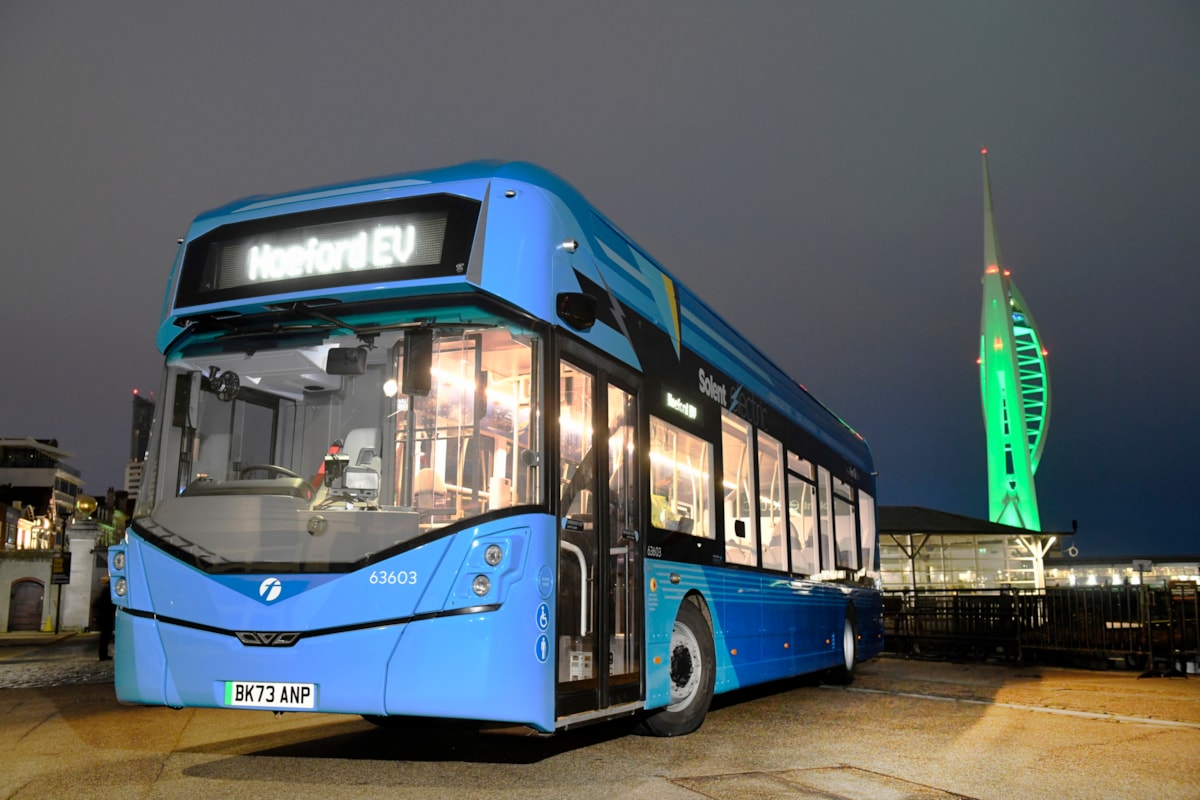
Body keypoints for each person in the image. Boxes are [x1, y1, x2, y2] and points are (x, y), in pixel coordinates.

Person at [94, 577, 116, 661]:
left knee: (105, 635)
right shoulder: (108, 592)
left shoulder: (106, 591)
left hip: (104, 615)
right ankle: (103, 654)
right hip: (105, 616)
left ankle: (103, 654)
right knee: (105, 636)